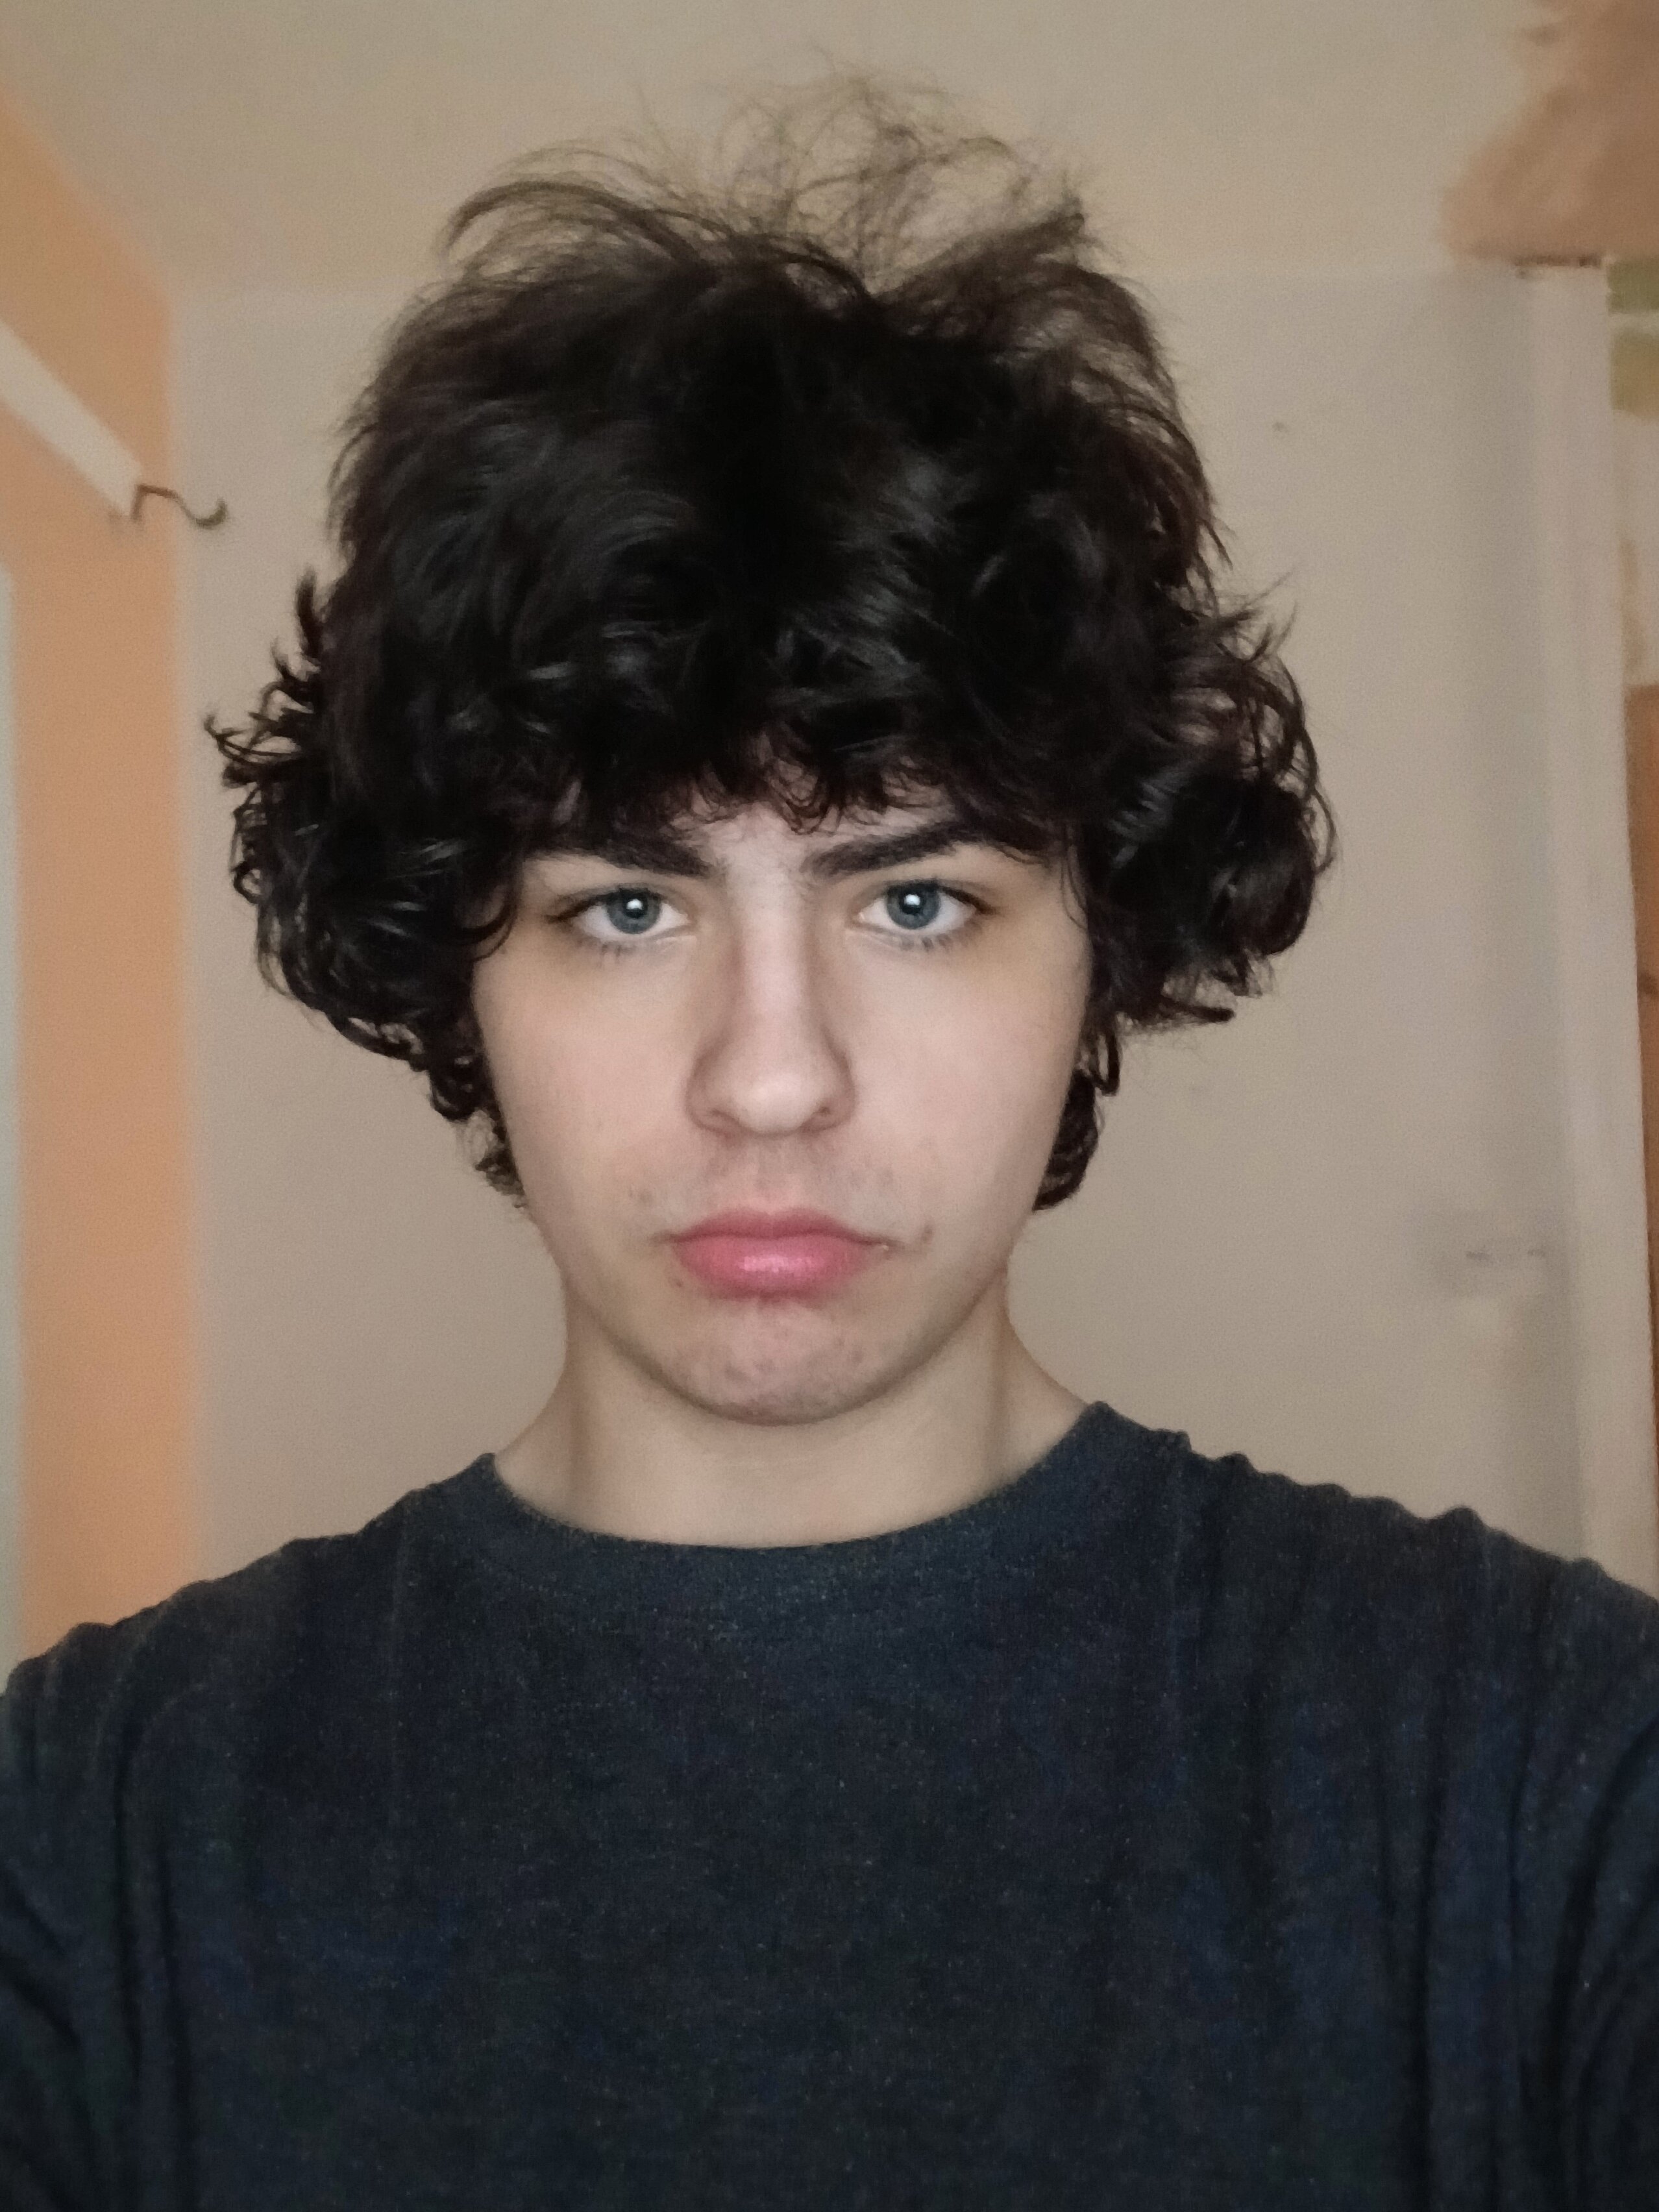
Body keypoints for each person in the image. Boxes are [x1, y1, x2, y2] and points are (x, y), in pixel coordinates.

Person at [3, 73, 1656, 2211]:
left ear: (1100, 949)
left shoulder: (1547, 1771)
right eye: (626, 907)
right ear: (458, 970)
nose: (768, 1077)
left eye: (915, 901)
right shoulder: (93, 1828)